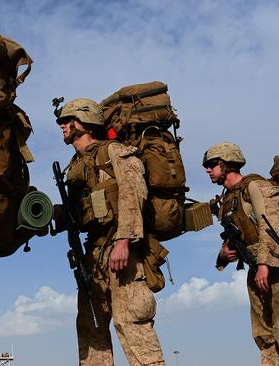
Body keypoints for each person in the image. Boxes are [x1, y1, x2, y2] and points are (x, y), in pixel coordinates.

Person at [56, 98, 165, 366]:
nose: (62, 127)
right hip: (93, 256)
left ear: (82, 122)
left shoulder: (114, 152)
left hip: (123, 251)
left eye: (66, 121)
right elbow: (79, 212)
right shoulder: (75, 166)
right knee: (91, 328)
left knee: (133, 324)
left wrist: (123, 241)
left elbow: (132, 194)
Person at [203, 142, 279, 365]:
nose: (208, 170)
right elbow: (237, 235)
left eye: (212, 164)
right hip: (257, 272)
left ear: (226, 164)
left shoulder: (257, 186)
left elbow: (272, 228)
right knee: (265, 338)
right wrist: (223, 255)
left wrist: (265, 265)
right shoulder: (229, 199)